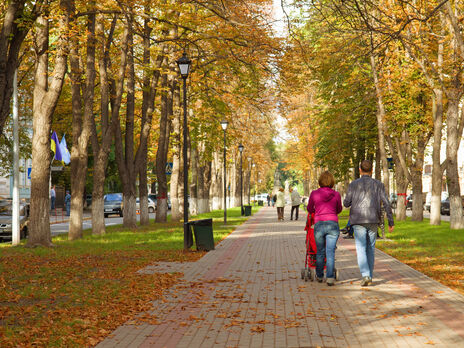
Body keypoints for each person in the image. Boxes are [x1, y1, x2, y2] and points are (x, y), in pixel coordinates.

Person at [343, 160, 394, 287]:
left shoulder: (353, 184)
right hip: (373, 219)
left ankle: (365, 275)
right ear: (371, 170)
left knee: (361, 248)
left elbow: (346, 203)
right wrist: (390, 221)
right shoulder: (378, 184)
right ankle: (369, 276)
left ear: (360, 170)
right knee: (370, 248)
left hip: (358, 220)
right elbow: (387, 203)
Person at [307, 171, 342, 286]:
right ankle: (330, 278)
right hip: (332, 224)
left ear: (320, 181)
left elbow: (309, 208)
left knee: (320, 251)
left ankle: (320, 275)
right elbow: (339, 209)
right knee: (330, 252)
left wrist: (316, 212)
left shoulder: (314, 194)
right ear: (332, 181)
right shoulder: (336, 194)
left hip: (319, 224)